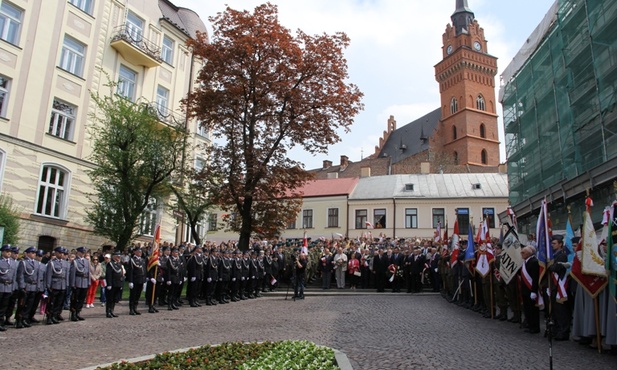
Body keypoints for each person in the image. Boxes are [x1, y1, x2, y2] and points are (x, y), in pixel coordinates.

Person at [547, 234, 571, 340]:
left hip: (560, 286)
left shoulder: (561, 255)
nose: (552, 245)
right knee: (556, 311)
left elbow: (555, 268)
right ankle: (557, 330)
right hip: (553, 285)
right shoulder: (553, 255)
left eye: (554, 243)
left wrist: (549, 265)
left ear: (560, 244)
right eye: (551, 243)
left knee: (561, 311)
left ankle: (564, 331)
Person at [45, 247, 70, 324]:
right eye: (60, 253)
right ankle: (49, 317)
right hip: (54, 284)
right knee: (51, 302)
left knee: (59, 302)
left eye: (63, 253)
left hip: (62, 285)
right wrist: (48, 285)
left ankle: (55, 316)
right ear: (56, 253)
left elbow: (66, 275)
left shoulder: (65, 263)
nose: (61, 254)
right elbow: (49, 275)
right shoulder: (52, 263)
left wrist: (67, 285)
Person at [520, 246, 540, 334]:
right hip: (525, 289)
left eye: (523, 252)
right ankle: (529, 324)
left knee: (533, 310)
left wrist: (534, 291)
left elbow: (535, 278)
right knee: (527, 308)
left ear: (529, 253)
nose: (521, 254)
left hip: (530, 289)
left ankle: (535, 327)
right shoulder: (525, 262)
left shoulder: (534, 262)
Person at [69, 246, 90, 321]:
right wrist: (73, 283)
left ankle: (78, 313)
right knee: (75, 299)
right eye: (82, 252)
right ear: (78, 252)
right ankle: (73, 314)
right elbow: (73, 273)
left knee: (81, 299)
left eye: (84, 253)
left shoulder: (86, 261)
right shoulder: (75, 261)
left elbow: (88, 273)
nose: (83, 254)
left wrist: (89, 282)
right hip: (77, 281)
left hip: (84, 282)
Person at [0, 245, 17, 331]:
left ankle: (1, 323)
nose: (9, 253)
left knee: (4, 306)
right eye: (7, 251)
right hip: (1, 286)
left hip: (8, 287)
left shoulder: (12, 262)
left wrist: (12, 288)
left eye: (10, 251)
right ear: (2, 252)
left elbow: (14, 276)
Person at [126, 246, 147, 315]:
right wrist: (130, 281)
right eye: (138, 252)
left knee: (138, 295)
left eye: (140, 252)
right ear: (135, 252)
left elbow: (144, 271)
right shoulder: (132, 260)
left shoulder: (143, 260)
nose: (140, 253)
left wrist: (144, 280)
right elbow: (130, 272)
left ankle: (135, 308)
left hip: (141, 280)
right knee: (133, 295)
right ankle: (131, 309)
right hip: (135, 280)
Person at [105, 251, 124, 318]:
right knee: (110, 299)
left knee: (114, 299)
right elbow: (109, 275)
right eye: (117, 256)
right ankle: (108, 312)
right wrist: (109, 284)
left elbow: (121, 274)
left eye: (119, 256)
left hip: (118, 284)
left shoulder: (119, 264)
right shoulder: (110, 264)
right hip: (112, 284)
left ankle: (112, 311)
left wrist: (121, 284)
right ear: (114, 257)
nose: (119, 257)